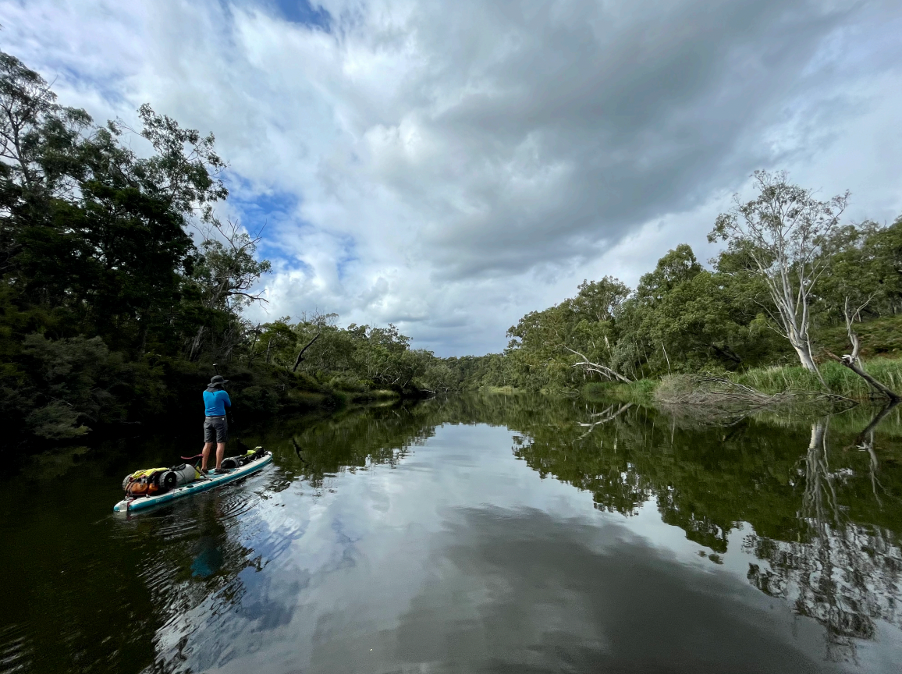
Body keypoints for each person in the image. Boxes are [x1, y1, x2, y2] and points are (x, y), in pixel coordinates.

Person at [202, 375, 232, 473]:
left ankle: (204, 467)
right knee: (220, 443)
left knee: (207, 444)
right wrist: (225, 392)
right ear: (220, 384)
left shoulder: (205, 393)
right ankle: (218, 468)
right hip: (220, 420)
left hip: (207, 420)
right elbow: (229, 404)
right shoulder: (223, 393)